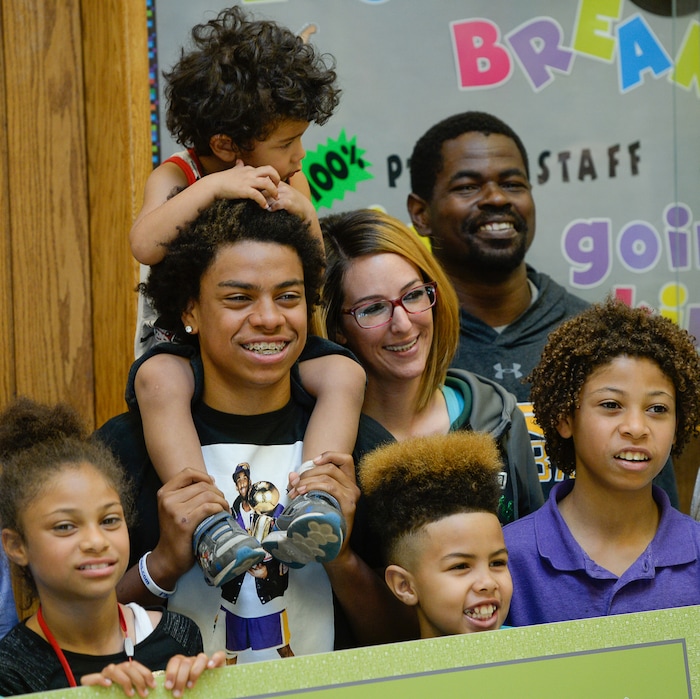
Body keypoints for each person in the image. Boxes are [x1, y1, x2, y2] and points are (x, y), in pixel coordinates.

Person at [98, 199, 401, 662]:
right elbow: (68, 638)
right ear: (190, 311)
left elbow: (408, 639)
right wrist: (162, 564)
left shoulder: (364, 448)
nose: (269, 318)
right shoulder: (124, 452)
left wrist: (340, 559)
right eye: (238, 298)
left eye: (288, 296)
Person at [127, 5, 365, 590]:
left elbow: (314, 261)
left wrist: (300, 206)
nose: (299, 157)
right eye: (287, 143)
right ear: (228, 145)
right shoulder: (178, 174)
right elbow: (145, 241)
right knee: (158, 382)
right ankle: (207, 520)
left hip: (276, 337)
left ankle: (316, 500)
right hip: (182, 341)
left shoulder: (288, 176)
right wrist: (213, 189)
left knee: (344, 375)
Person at [406, 110, 679, 505]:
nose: (497, 198)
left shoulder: (601, 336)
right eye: (468, 187)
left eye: (512, 183)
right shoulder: (405, 339)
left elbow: (657, 509)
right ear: (421, 213)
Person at [320, 208, 543, 546]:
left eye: (413, 295)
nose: (404, 323)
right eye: (373, 309)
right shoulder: (324, 440)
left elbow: (531, 561)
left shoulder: (496, 413)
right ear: (337, 329)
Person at [0, 397, 224, 696]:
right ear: (16, 546)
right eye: (65, 526)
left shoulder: (178, 636)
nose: (96, 541)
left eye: (109, 520)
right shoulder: (10, 668)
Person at [503, 298, 700, 626]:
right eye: (611, 404)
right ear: (565, 418)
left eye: (658, 409)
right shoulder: (508, 558)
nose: (636, 428)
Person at [358, 431, 512, 638]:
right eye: (460, 566)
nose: (487, 583)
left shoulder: (539, 656)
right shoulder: (396, 670)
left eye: (497, 563)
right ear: (404, 586)